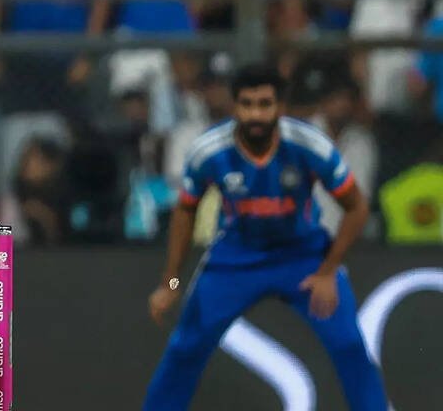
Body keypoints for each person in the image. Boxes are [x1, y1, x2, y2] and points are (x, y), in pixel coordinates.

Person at [143, 64, 388, 410]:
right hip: (235, 260)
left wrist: (328, 270)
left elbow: (356, 207)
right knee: (185, 346)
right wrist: (170, 283)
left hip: (304, 258)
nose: (256, 114)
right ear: (235, 107)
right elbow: (185, 210)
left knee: (349, 345)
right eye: (247, 105)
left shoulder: (309, 145)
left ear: (280, 108)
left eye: (264, 104)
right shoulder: (208, 151)